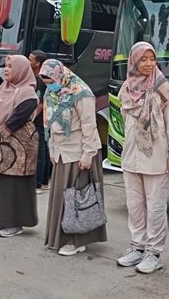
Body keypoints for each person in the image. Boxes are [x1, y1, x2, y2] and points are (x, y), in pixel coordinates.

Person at [116, 41, 169, 274]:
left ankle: (154, 252)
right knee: (134, 205)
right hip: (131, 156)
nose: (148, 64)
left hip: (157, 157)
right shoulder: (126, 88)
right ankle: (137, 246)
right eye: (143, 59)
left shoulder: (164, 88)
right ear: (133, 61)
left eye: (152, 59)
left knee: (155, 207)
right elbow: (126, 120)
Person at [40, 59, 107, 256]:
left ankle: (76, 240)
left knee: (77, 199)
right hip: (61, 152)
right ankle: (61, 237)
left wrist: (87, 155)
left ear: (60, 75)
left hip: (79, 152)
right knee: (63, 197)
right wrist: (52, 149)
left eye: (51, 80)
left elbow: (89, 126)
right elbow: (49, 124)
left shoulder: (81, 93)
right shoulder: (51, 93)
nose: (49, 85)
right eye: (45, 82)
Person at [0, 55, 39, 238]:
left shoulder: (27, 93)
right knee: (2, 182)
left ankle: (15, 223)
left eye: (10, 67)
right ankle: (2, 220)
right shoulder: (1, 90)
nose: (6, 70)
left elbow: (18, 118)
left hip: (21, 144)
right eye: (6, 66)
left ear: (21, 70)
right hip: (1, 143)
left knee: (16, 184)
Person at [29, 49, 51, 192]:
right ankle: (44, 180)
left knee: (41, 149)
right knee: (43, 148)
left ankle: (38, 183)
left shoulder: (42, 80)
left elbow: (41, 103)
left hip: (40, 120)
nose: (28, 61)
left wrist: (31, 117)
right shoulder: (34, 78)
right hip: (39, 119)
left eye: (30, 59)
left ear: (37, 63)